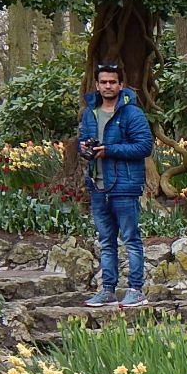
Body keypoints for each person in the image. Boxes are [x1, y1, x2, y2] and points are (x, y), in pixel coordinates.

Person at [78, 62, 153, 308]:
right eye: (103, 82)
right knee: (106, 240)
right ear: (97, 85)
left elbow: (144, 146)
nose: (108, 86)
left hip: (125, 186)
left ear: (121, 85)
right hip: (98, 186)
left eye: (113, 82)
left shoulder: (132, 113)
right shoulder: (90, 113)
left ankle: (135, 289)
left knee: (131, 239)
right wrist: (85, 149)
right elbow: (83, 140)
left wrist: (108, 150)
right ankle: (108, 289)